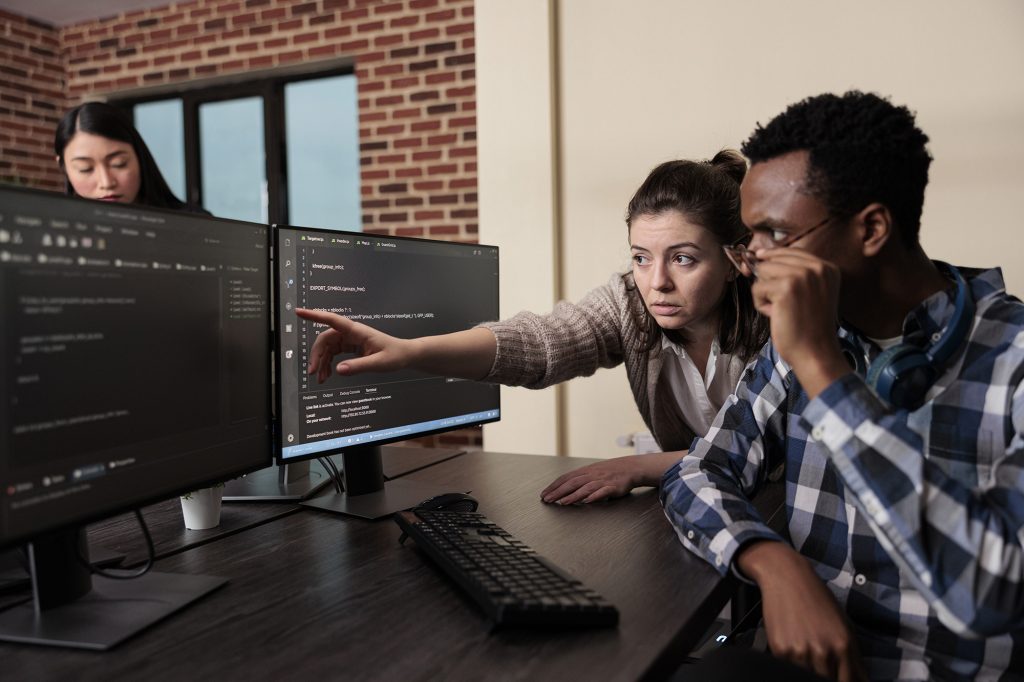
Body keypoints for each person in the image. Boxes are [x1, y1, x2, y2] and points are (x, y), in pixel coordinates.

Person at [662, 91, 1024, 681]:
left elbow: (987, 591)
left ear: (872, 228)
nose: (754, 262)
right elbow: (698, 471)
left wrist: (825, 375)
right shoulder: (791, 345)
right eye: (748, 240)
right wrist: (774, 564)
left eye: (774, 234)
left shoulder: (1014, 358)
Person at [297, 151, 768, 504]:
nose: (657, 282)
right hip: (707, 506)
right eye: (641, 258)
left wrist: (643, 467)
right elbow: (542, 344)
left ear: (734, 260)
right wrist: (409, 350)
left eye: (683, 259)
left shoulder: (776, 319)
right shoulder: (629, 301)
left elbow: (766, 452)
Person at [54, 101, 202, 212]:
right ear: (64, 167)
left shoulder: (195, 224)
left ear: (139, 157)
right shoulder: (52, 229)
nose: (106, 182)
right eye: (85, 169)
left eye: (119, 163)